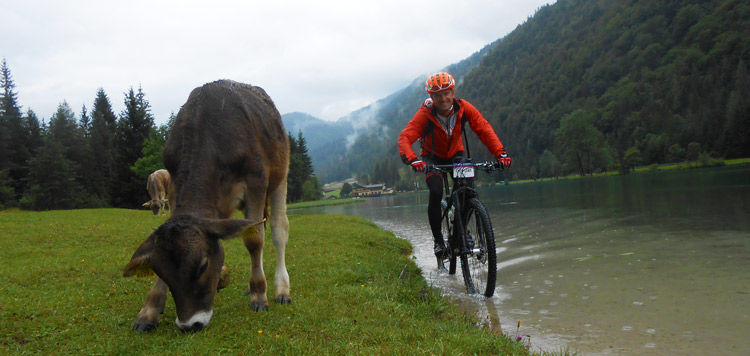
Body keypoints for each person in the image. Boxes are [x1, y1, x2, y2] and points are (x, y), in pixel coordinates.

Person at [398, 71, 511, 271]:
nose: (443, 98)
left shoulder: (464, 108)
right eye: (438, 94)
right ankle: (438, 240)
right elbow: (405, 138)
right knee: (435, 191)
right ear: (431, 97)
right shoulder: (425, 113)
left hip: (456, 154)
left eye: (446, 93)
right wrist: (414, 160)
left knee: (467, 190)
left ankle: (461, 230)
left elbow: (484, 129)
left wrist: (500, 154)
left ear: (453, 91)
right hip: (432, 158)